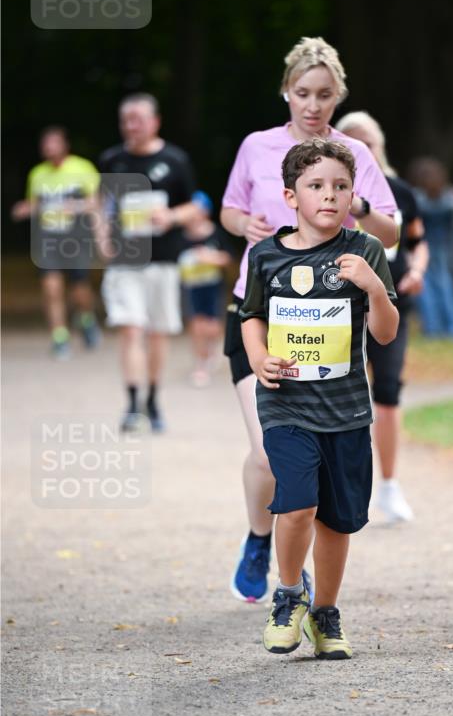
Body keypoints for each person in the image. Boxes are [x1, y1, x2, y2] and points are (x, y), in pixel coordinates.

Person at [221, 36, 397, 602]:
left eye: (324, 95)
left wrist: (355, 203)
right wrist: (243, 224)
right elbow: (228, 209)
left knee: (311, 461)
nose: (313, 105)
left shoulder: (352, 157)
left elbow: (392, 230)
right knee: (268, 453)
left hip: (330, 325)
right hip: (257, 314)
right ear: (286, 92)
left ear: (338, 96)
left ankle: (304, 573)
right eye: (302, 93)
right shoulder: (256, 146)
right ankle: (258, 537)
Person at [239, 138, 398, 659]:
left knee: (337, 518)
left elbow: (386, 334)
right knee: (299, 502)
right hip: (286, 404)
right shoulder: (265, 256)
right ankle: (288, 594)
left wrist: (374, 287)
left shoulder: (365, 251)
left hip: (348, 408)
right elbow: (250, 317)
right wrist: (260, 357)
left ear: (353, 194)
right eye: (315, 186)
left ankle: (326, 612)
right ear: (290, 197)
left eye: (340, 187)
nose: (329, 196)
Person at [335, 111, 429, 523]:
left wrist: (419, 272)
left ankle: (389, 485)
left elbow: (418, 242)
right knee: (339, 394)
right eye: (353, 145)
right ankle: (341, 482)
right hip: (339, 308)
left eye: (368, 144)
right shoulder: (329, 191)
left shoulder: (400, 192)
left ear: (380, 146)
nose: (363, 153)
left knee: (387, 393)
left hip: (391, 303)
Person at [99, 94, 199, 432]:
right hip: (125, 262)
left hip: (164, 261)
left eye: (138, 119)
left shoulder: (175, 160)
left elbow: (195, 206)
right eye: (126, 119)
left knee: (157, 333)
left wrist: (170, 215)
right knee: (130, 328)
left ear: (155, 121)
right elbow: (102, 206)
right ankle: (131, 403)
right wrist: (102, 238)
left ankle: (153, 399)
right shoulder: (112, 159)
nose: (131, 125)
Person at [12, 126, 101, 358]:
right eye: (46, 144)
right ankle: (60, 338)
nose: (49, 148)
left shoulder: (82, 168)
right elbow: (34, 204)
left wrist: (77, 207)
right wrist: (24, 209)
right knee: (51, 289)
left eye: (54, 143)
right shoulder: (37, 174)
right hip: (48, 239)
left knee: (80, 288)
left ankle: (87, 318)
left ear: (65, 145)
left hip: (76, 238)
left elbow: (96, 203)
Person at [178, 191, 233, 387]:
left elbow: (228, 258)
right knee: (197, 326)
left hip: (212, 288)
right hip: (191, 290)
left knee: (213, 327)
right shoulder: (179, 237)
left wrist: (210, 258)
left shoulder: (215, 233)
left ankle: (212, 350)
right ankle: (200, 366)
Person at [407, 157, 453, 338]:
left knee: (425, 288)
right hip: (443, 247)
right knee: (446, 286)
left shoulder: (416, 199)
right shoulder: (449, 199)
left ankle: (432, 328)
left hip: (421, 247)